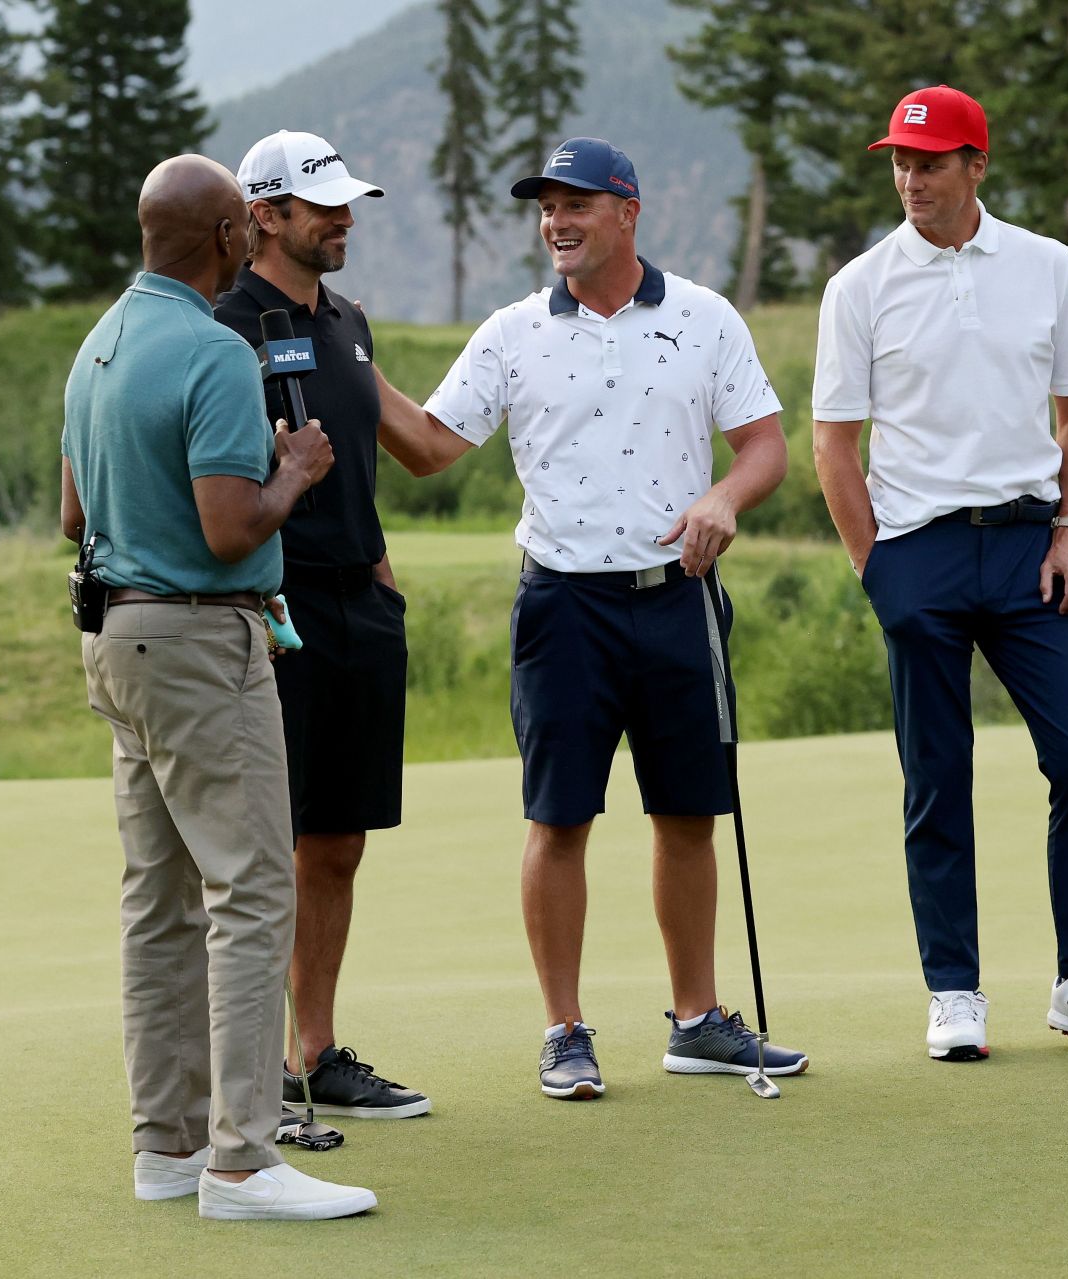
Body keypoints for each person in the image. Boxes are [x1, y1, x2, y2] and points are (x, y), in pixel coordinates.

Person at [370, 137, 807, 1099]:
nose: (555, 223)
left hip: (678, 597)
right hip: (563, 603)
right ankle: (564, 1029)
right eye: (545, 208)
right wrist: (348, 362)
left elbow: (766, 446)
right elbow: (432, 447)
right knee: (558, 817)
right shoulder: (512, 332)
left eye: (574, 205)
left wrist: (726, 498)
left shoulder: (703, 317)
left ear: (627, 211)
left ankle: (696, 1021)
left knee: (688, 814)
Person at [59, 153, 376, 1218]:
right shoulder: (211, 349)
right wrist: (297, 471)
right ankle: (241, 1158)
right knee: (248, 891)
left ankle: (167, 1148)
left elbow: (72, 517)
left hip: (114, 638)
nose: (251, 235)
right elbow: (229, 525)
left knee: (158, 900)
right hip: (201, 639)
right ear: (222, 239)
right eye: (242, 223)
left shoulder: (97, 343)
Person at [812, 86, 1068, 1063]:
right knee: (937, 779)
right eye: (901, 162)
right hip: (916, 549)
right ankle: (953, 989)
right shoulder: (860, 285)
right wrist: (877, 571)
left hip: (1030, 548)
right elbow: (835, 445)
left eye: (932, 161)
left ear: (977, 167)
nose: (912, 178)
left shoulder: (1045, 266)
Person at [212, 130, 429, 1121]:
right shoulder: (225, 328)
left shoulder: (349, 322)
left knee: (339, 837)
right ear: (264, 215)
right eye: (321, 205)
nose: (343, 218)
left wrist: (380, 576)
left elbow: (391, 455)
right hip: (268, 609)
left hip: (357, 605)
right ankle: (248, 1069)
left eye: (348, 203)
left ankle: (313, 1051)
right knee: (265, 846)